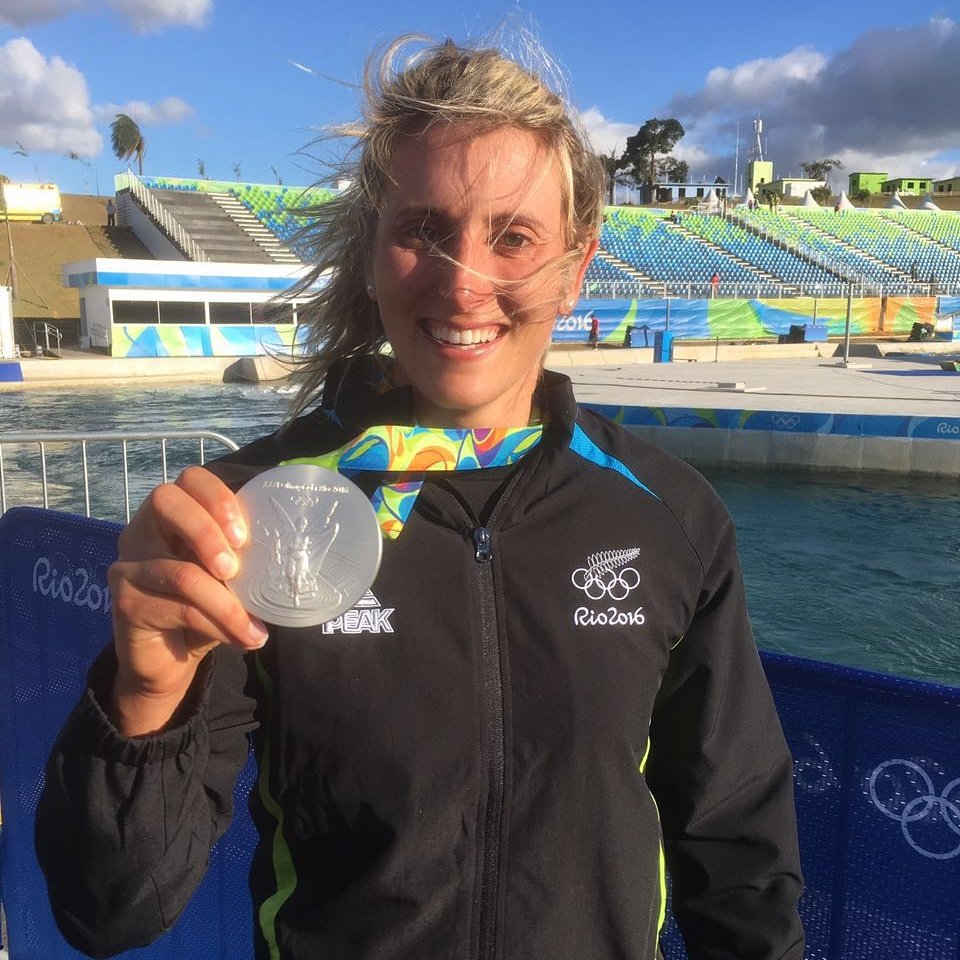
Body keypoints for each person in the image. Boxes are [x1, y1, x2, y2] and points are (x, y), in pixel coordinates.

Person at [35, 35, 805, 960]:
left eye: (513, 236)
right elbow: (110, 910)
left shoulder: (668, 516)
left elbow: (737, 847)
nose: (465, 280)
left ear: (576, 267)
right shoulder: (257, 514)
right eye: (424, 231)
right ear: (372, 251)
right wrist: (145, 692)